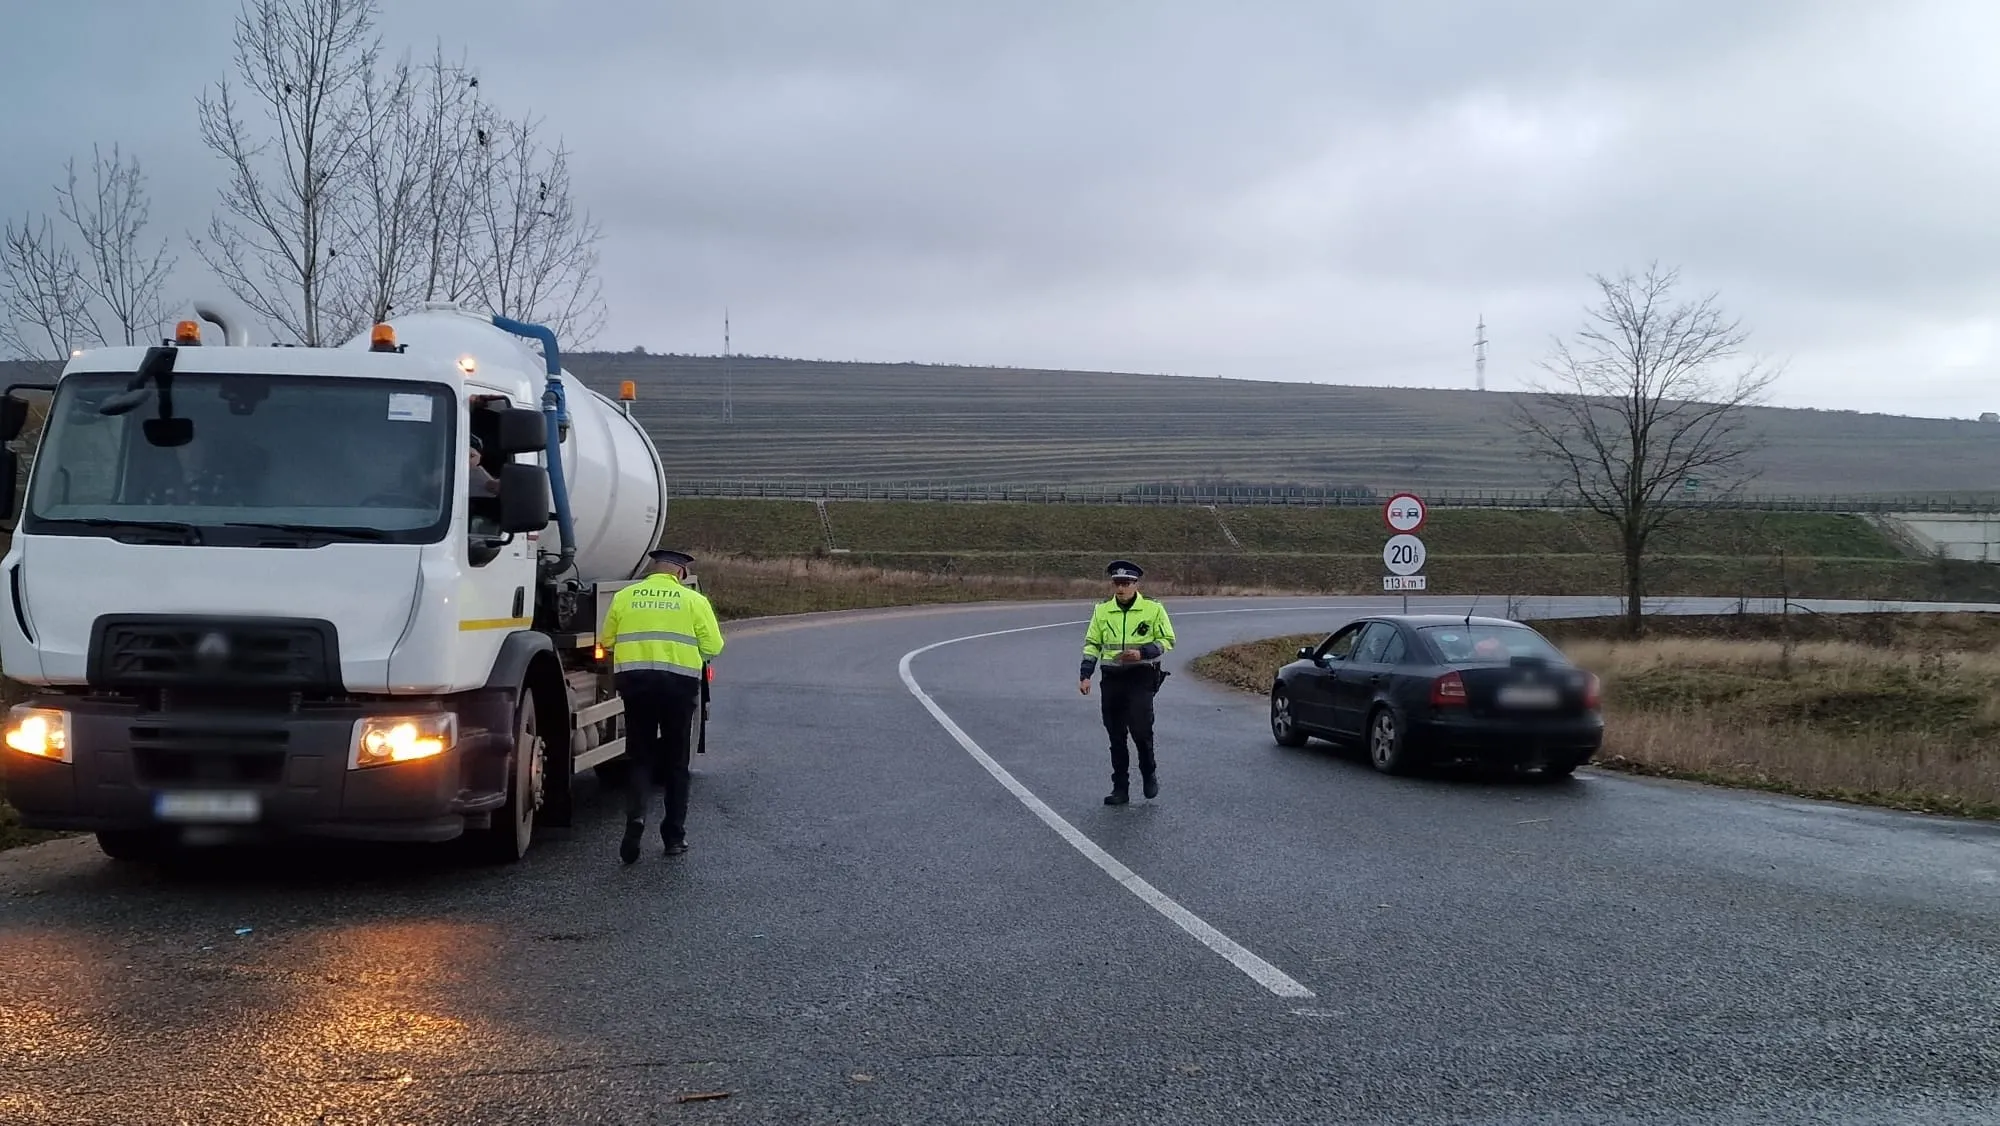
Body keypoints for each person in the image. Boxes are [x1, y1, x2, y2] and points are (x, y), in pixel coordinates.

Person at [600, 548, 724, 863]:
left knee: (640, 757)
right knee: (676, 763)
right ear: (681, 573)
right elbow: (714, 646)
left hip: (636, 686)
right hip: (678, 689)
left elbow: (607, 641)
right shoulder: (694, 601)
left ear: (653, 569)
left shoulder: (625, 597)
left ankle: (636, 820)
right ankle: (673, 837)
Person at [1078, 559, 1175, 805]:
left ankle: (1148, 772)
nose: (1121, 588)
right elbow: (1092, 644)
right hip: (1112, 678)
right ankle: (1120, 788)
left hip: (1141, 675)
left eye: (1126, 583)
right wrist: (1085, 675)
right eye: (1117, 584)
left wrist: (1142, 653)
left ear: (1135, 584)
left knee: (1141, 730)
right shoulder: (1102, 610)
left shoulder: (1153, 608)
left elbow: (1168, 639)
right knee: (1116, 735)